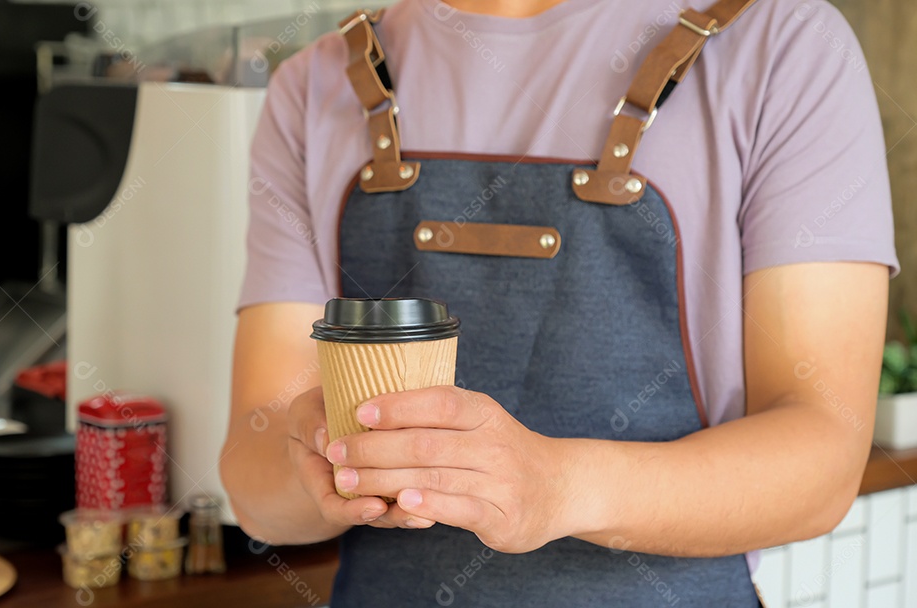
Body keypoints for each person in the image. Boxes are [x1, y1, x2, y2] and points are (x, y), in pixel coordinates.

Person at [220, 0, 899, 604]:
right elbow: (255, 481)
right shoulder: (314, 86)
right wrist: (313, 459)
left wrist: (557, 486)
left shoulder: (783, 47)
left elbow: (821, 453)